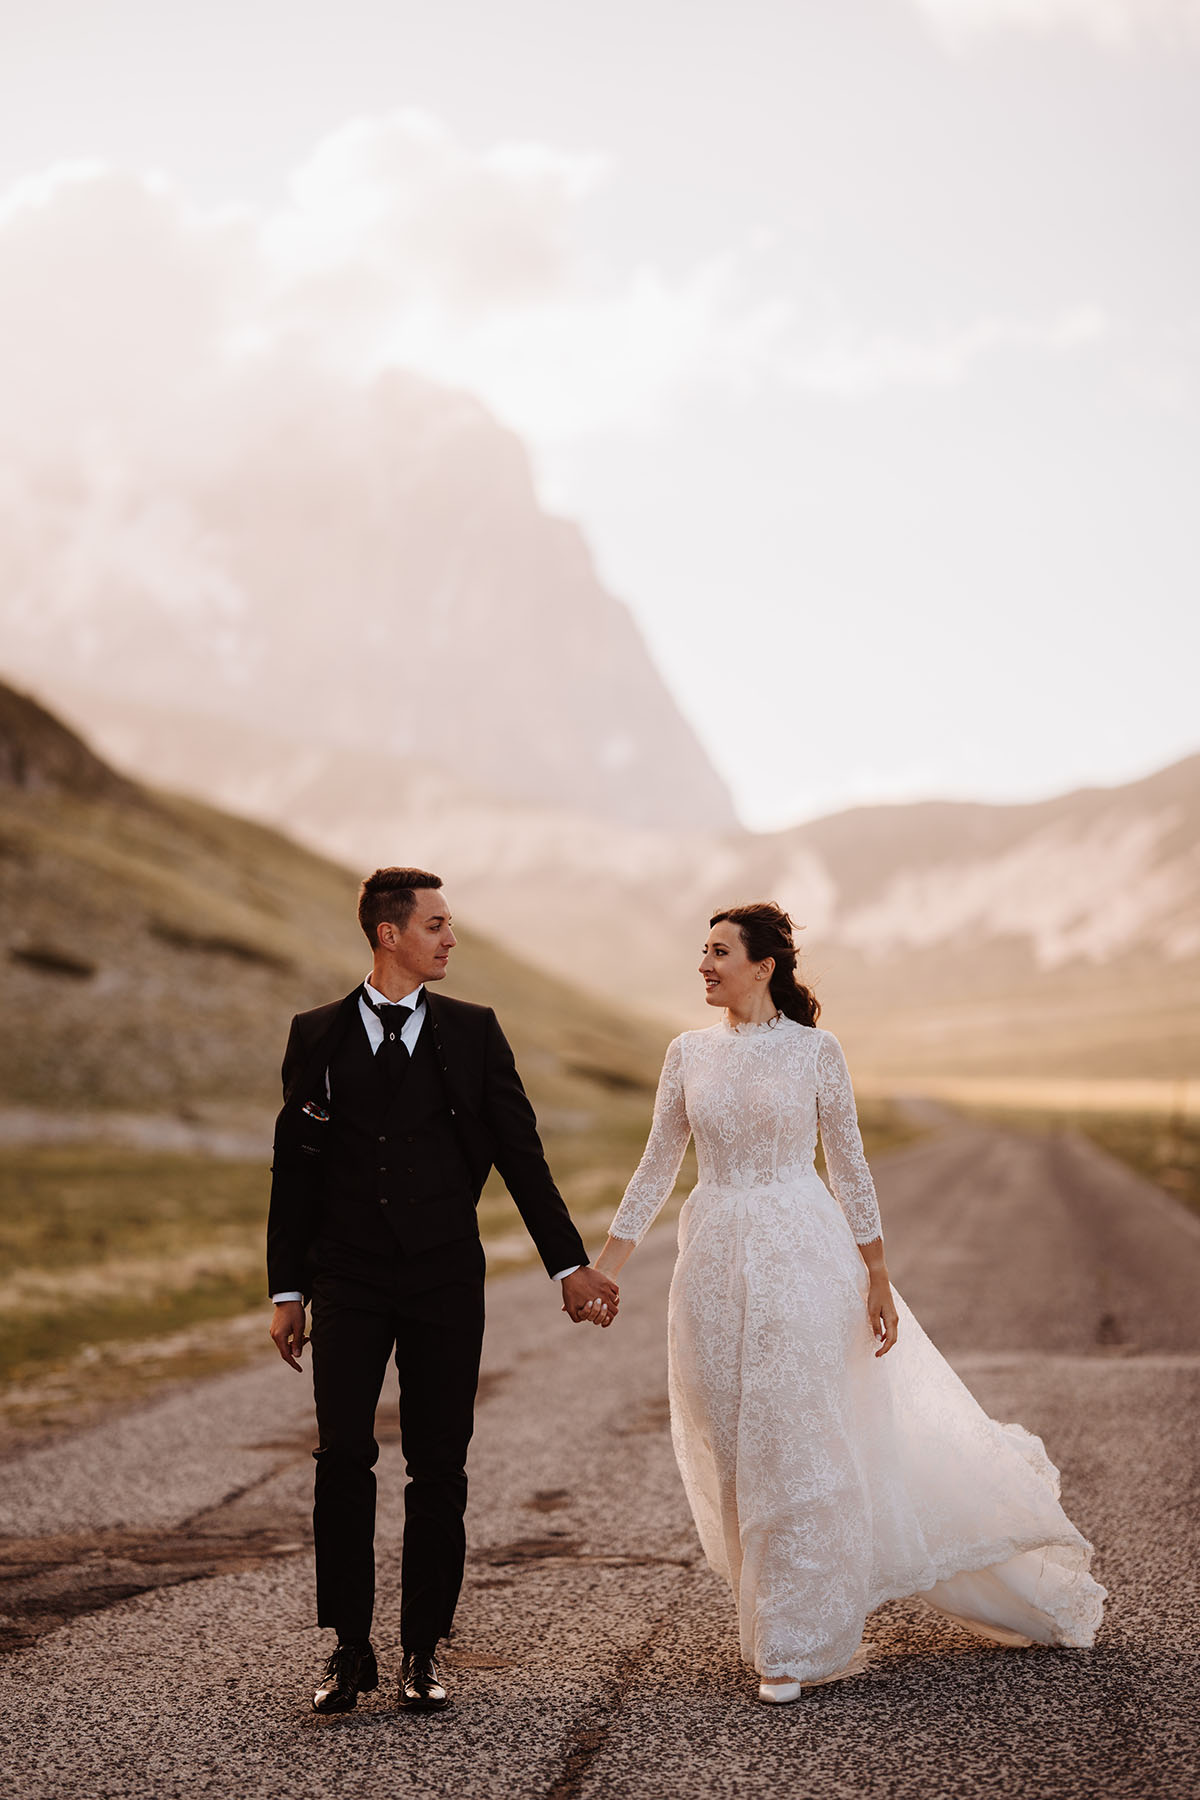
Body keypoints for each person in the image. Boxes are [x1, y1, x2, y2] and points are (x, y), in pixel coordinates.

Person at [589, 901, 1106, 1703]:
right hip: (714, 1261)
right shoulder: (686, 1053)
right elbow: (658, 1165)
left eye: (719, 952)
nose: (704, 964)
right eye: (703, 950)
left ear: (762, 967)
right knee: (734, 1441)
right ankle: (769, 1617)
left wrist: (875, 1275)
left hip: (803, 1253)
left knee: (793, 1438)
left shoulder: (817, 1053)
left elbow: (851, 1167)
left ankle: (799, 1643)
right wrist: (607, 1266)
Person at [267, 867, 618, 1715]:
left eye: (449, 924)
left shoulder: (474, 1032)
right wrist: (288, 1290)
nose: (450, 938)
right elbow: (295, 1174)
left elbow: (522, 1158)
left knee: (438, 1467)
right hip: (346, 1280)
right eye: (436, 924)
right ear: (389, 934)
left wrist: (568, 1266)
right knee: (343, 1458)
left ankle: (423, 1649)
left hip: (443, 1279)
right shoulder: (314, 1036)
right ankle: (349, 1649)